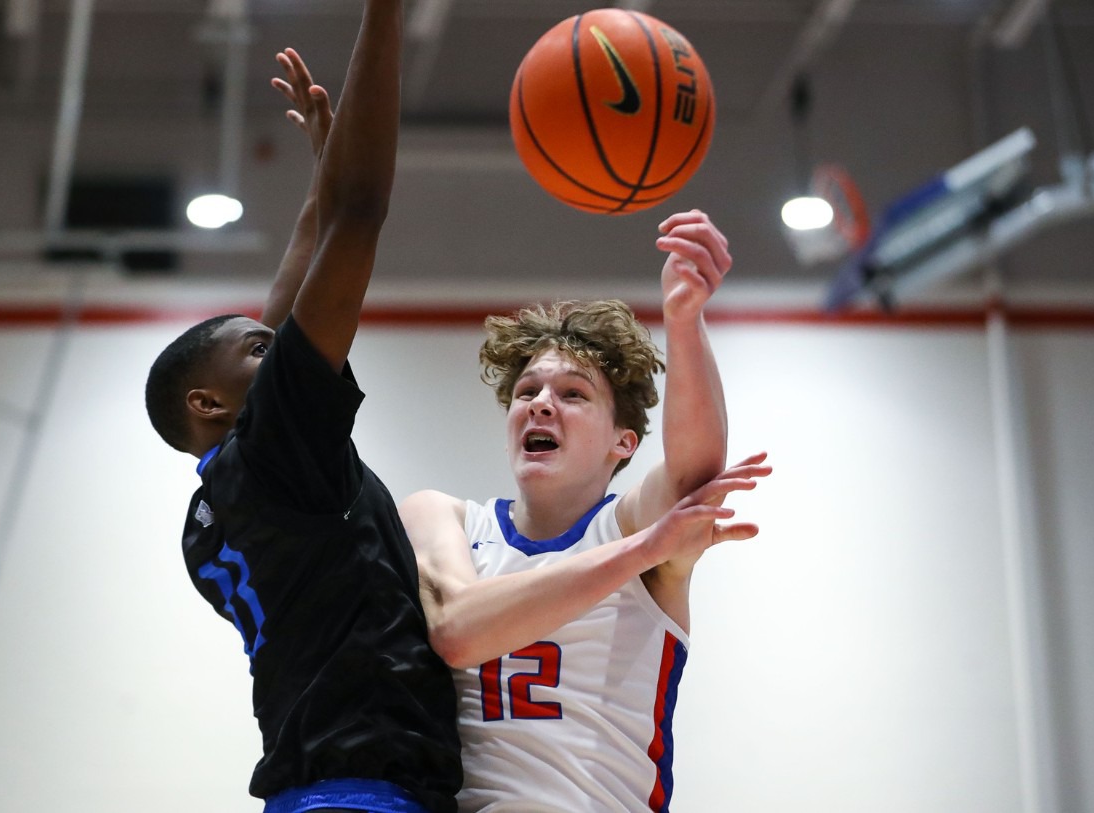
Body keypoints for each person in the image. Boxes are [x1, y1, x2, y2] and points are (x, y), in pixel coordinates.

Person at [143, 3, 465, 811]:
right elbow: (362, 212)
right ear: (207, 402)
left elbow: (287, 294)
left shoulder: (217, 505)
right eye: (261, 353)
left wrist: (324, 176)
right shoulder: (276, 448)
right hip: (357, 792)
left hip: (327, 789)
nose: (279, 346)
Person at [399, 210, 771, 812]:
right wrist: (647, 547)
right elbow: (457, 630)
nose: (542, 403)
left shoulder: (624, 525)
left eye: (573, 394)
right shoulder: (441, 516)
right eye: (528, 392)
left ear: (623, 442)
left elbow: (695, 473)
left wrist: (683, 318)